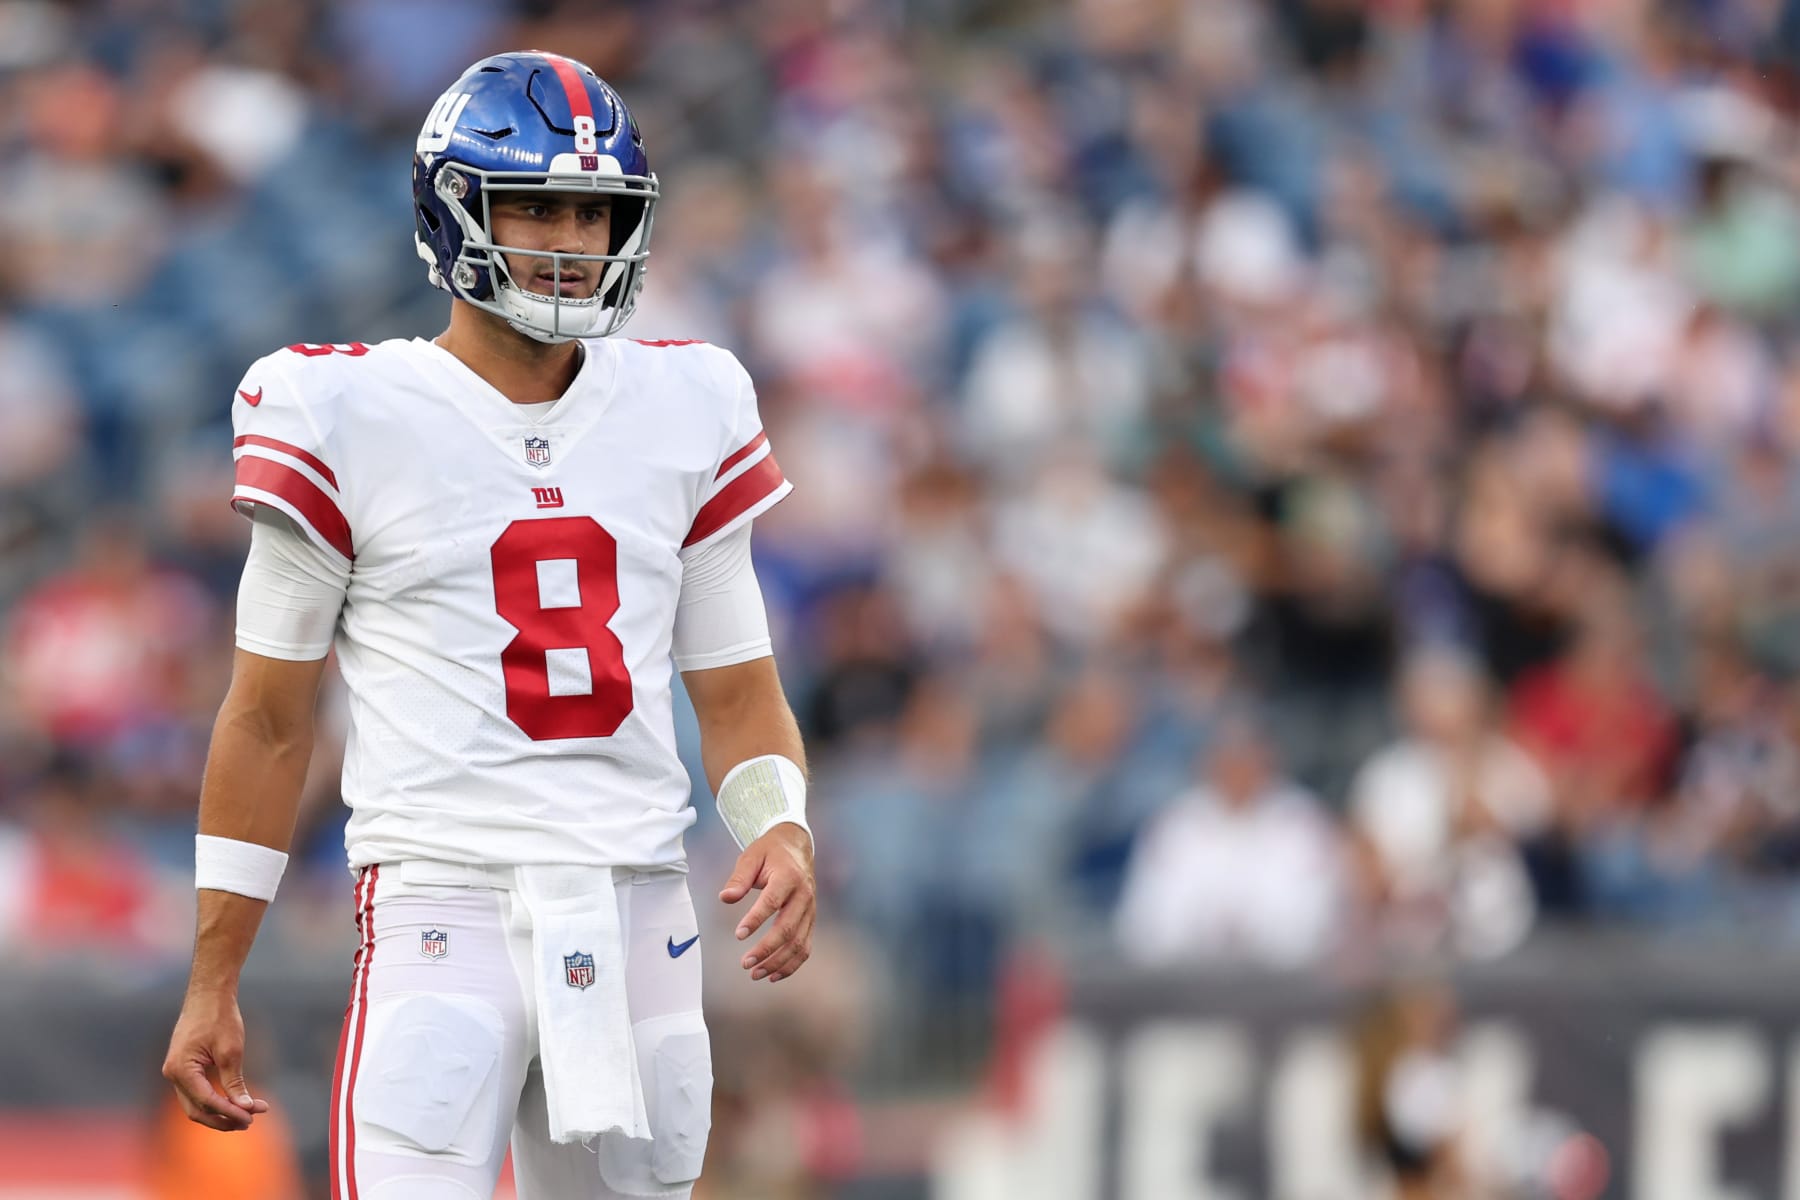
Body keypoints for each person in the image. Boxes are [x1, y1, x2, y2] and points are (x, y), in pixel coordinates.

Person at [161, 51, 818, 1200]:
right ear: (453, 209)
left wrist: (781, 823)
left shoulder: (691, 400)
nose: (569, 236)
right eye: (535, 204)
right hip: (440, 908)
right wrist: (215, 976)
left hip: (641, 906)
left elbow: (738, 689)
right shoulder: (341, 408)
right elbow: (269, 721)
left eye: (593, 210)